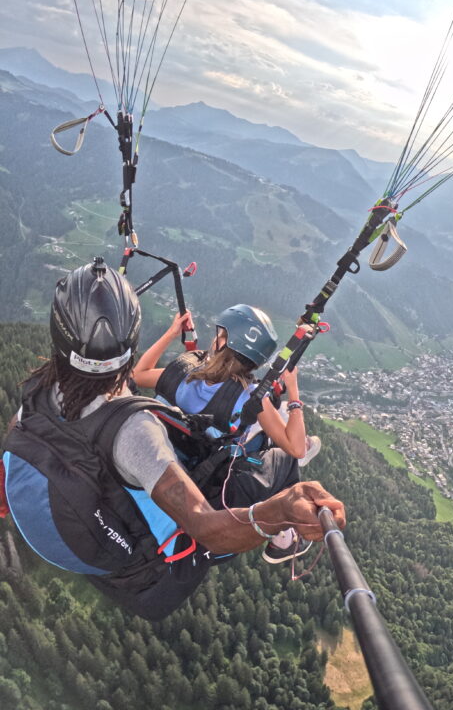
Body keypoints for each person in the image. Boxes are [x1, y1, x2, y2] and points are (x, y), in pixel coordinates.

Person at [2, 258, 345, 620]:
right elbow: (206, 527)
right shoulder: (135, 430)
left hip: (86, 522)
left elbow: (138, 376)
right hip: (162, 555)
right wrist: (281, 510)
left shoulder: (40, 391)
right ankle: (283, 540)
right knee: (287, 457)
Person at [133, 304, 322, 562]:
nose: (216, 338)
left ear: (226, 342)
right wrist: (294, 390)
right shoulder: (249, 397)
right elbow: (294, 448)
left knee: (270, 422)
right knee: (288, 456)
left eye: (220, 334)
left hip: (176, 447)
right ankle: (286, 535)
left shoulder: (185, 374)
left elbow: (139, 374)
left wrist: (171, 333)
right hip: (214, 469)